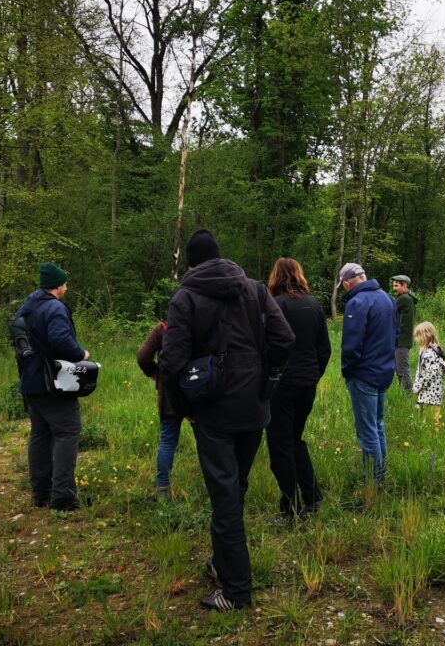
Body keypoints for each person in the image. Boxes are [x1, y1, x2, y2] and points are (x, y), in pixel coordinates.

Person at [160, 230, 295, 612]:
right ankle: (223, 562)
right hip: (255, 408)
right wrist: (267, 378)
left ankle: (236, 591)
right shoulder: (254, 289)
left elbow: (171, 363)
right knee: (235, 487)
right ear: (221, 256)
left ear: (191, 263)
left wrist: (182, 405)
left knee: (225, 497)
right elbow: (284, 338)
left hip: (213, 411)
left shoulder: (185, 297)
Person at [14, 262, 90, 511]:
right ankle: (63, 497)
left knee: (40, 435)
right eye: (65, 283)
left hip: (31, 382)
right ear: (57, 286)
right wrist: (81, 353)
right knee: (67, 432)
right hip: (53, 382)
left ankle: (41, 494)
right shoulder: (54, 308)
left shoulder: (28, 306)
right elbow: (60, 340)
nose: (67, 288)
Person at [265, 258, 331, 525]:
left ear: (276, 276)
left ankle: (289, 509)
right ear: (298, 275)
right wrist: (313, 375)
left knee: (280, 445)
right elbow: (324, 349)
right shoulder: (314, 305)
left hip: (281, 385)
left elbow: (266, 346)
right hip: (306, 384)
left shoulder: (276, 305)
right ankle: (313, 497)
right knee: (295, 440)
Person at [339, 262, 398, 485]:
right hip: (384, 370)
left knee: (367, 430)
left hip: (364, 374)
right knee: (378, 424)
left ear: (347, 283)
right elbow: (396, 334)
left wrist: (347, 370)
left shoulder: (357, 303)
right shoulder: (387, 298)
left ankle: (373, 482)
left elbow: (351, 344)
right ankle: (380, 474)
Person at [136, 320, 189, 501]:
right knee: (207, 442)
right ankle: (217, 489)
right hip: (199, 389)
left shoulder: (162, 328)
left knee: (167, 441)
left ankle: (162, 492)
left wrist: (156, 375)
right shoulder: (203, 323)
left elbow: (143, 357)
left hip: (169, 394)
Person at [412, 321, 445, 429]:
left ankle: (434, 435)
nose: (415, 339)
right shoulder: (425, 351)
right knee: (427, 416)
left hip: (431, 392)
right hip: (427, 392)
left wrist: (418, 387)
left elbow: (430, 374)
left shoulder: (430, 354)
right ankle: (428, 433)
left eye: (417, 336)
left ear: (425, 336)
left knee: (433, 417)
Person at [391, 275, 417, 393]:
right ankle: (404, 393)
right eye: (393, 285)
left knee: (402, 370)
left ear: (405, 285)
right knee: (400, 369)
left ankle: (408, 394)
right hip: (402, 339)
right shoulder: (408, 298)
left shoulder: (403, 299)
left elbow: (389, 311)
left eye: (396, 285)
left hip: (401, 340)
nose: (394, 288)